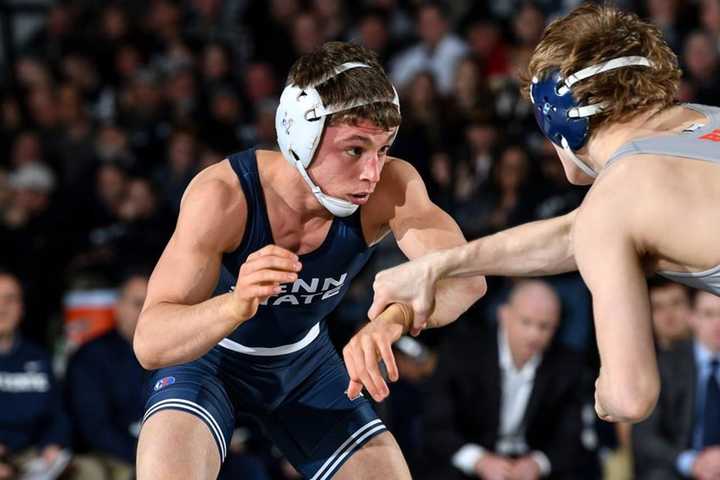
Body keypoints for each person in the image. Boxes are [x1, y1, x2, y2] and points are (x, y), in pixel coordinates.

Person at [133, 42, 486, 480]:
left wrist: (393, 319)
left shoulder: (391, 186)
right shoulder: (225, 196)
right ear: (300, 136)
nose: (372, 173)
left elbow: (468, 278)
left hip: (304, 366)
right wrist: (234, 303)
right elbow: (150, 342)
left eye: (383, 149)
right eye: (355, 150)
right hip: (210, 361)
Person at [354, 3, 720, 424]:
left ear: (558, 119)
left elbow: (630, 397)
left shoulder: (615, 202)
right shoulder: (703, 122)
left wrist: (605, 395)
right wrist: (442, 264)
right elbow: (572, 234)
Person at [421, 281, 586, 480]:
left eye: (545, 326)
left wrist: (538, 463)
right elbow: (436, 424)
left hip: (531, 463)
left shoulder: (567, 366)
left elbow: (570, 435)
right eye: (526, 322)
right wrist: (479, 461)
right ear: (504, 315)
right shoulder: (461, 354)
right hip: (470, 458)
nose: (534, 334)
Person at [632, 290, 720, 479]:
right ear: (692, 318)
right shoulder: (665, 364)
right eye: (708, 314)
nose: (717, 324)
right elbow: (644, 437)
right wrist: (692, 462)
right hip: (679, 466)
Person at [0, 270, 72, 478]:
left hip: (33, 456)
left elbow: (57, 413)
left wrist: (53, 444)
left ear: (21, 308)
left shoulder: (39, 357)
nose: (2, 307)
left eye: (10, 299)